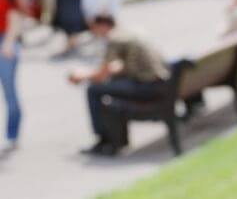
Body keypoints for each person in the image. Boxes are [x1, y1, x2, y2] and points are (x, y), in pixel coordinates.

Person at [68, 15, 170, 156]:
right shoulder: (130, 32)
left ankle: (104, 140)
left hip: (147, 87)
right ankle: (117, 139)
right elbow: (127, 65)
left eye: (94, 28)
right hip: (161, 83)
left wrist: (81, 76)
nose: (93, 33)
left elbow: (101, 75)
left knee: (93, 90)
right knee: (111, 86)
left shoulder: (115, 38)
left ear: (103, 25)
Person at [0, 0, 23, 152]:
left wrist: (8, 44)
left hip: (5, 41)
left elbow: (15, 22)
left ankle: (12, 134)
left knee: (9, 92)